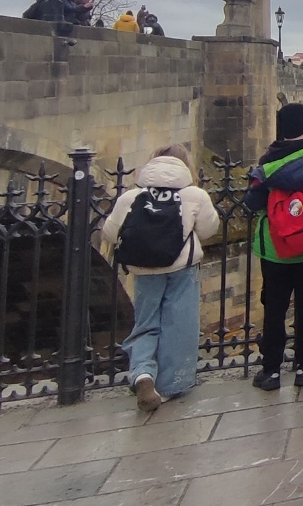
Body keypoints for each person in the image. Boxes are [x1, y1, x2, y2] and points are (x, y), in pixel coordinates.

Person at [101, 145, 219, 412]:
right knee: (178, 325)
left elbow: (109, 232)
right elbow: (208, 229)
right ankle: (168, 386)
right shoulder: (194, 195)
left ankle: (143, 373)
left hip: (144, 270)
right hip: (181, 269)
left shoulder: (131, 196)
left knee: (146, 323)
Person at [243, 104, 303, 391]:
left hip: (274, 248)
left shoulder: (266, 164)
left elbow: (252, 203)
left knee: (274, 308)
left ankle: (271, 370)